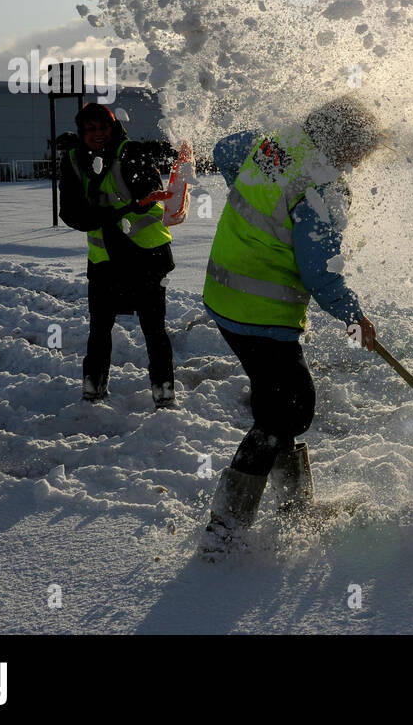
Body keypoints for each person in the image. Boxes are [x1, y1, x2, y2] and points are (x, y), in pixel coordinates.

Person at [200, 95, 383, 553]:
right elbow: (319, 272)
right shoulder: (322, 188)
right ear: (346, 145)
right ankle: (225, 527)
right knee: (291, 409)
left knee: (274, 401)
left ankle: (296, 508)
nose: (361, 163)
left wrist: (252, 211)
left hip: (224, 294)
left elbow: (225, 149)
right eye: (362, 152)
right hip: (260, 309)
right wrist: (353, 316)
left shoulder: (277, 144)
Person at [56, 102, 175, 406]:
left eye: (103, 127)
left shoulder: (131, 152)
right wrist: (113, 213)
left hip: (145, 256)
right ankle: (92, 387)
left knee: (154, 329)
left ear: (113, 127)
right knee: (99, 329)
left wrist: (102, 213)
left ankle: (164, 392)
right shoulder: (73, 160)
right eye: (90, 129)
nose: (97, 134)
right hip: (104, 260)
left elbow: (148, 197)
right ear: (81, 132)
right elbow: (70, 212)